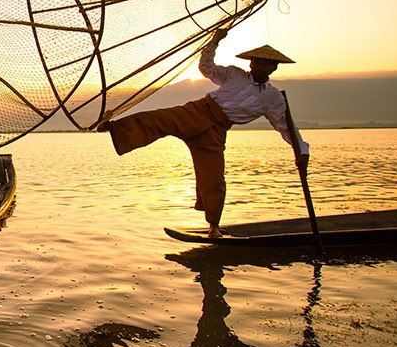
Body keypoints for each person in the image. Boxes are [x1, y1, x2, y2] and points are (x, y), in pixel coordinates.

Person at [96, 29, 309, 237]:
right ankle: (114, 127)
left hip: (216, 130)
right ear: (251, 63)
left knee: (214, 179)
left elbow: (285, 125)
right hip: (198, 112)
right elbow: (207, 67)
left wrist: (301, 151)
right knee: (158, 119)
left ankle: (213, 227)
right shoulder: (234, 74)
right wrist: (214, 42)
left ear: (274, 68)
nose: (260, 66)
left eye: (267, 63)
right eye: (258, 62)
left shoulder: (272, 98)